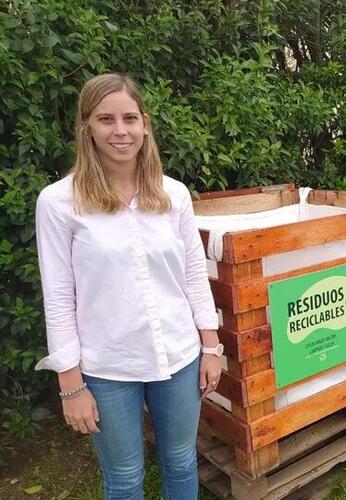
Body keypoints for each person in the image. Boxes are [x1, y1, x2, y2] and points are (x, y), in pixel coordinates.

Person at [34, 73, 223, 499]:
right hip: (106, 368)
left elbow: (194, 273)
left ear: (145, 124)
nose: (120, 131)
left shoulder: (174, 195)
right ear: (87, 128)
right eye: (106, 119)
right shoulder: (59, 203)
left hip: (179, 357)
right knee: (124, 479)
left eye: (129, 118)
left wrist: (210, 347)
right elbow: (59, 297)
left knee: (180, 461)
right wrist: (71, 384)